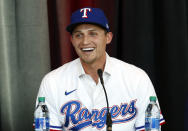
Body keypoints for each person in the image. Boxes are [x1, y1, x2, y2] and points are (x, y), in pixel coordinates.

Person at [35, 7, 165, 131]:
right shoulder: (52, 81)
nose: (85, 41)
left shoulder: (137, 78)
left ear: (108, 37)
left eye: (93, 34)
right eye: (79, 35)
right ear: (72, 40)